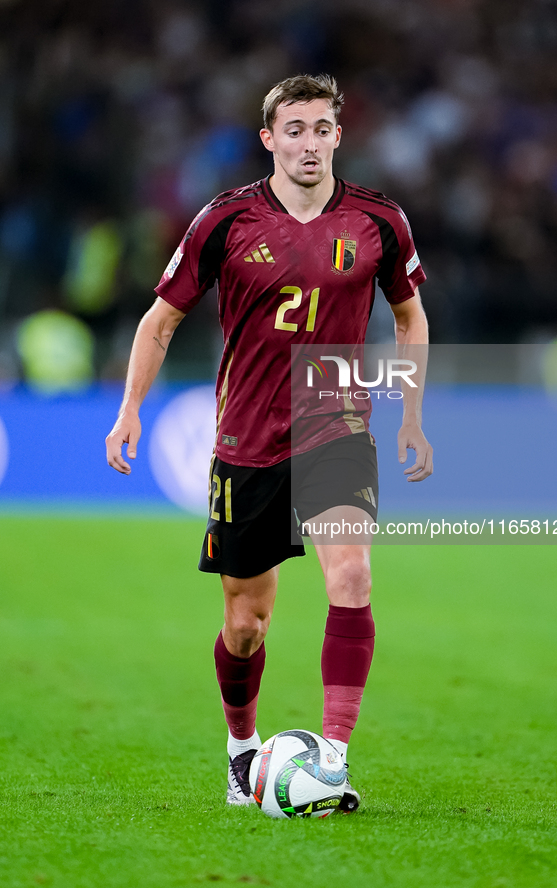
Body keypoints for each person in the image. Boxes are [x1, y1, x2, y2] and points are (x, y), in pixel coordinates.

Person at [106, 74, 433, 813]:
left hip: (335, 420)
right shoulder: (224, 221)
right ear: (269, 139)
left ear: (337, 137)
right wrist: (130, 410)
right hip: (247, 438)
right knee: (246, 624)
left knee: (350, 578)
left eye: (320, 129)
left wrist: (410, 414)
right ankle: (240, 749)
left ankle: (333, 763)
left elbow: (410, 317)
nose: (308, 143)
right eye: (294, 130)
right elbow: (159, 323)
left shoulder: (379, 220)